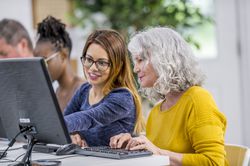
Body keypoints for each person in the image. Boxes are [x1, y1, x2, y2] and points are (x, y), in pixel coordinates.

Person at [110, 27, 228, 166]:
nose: (135, 69)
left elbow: (214, 162)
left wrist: (158, 153)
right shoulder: (157, 111)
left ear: (163, 59)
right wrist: (132, 145)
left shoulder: (198, 99)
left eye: (140, 60)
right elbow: (155, 152)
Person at [64, 29, 145, 147]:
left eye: (102, 63)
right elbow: (65, 120)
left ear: (117, 66)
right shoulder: (84, 90)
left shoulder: (123, 97)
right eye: (89, 59)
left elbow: (89, 118)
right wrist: (73, 135)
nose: (92, 68)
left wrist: (53, 125)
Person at [34, 16, 85, 112]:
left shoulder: (84, 91)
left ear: (62, 55)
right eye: (36, 63)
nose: (39, 69)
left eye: (43, 61)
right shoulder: (57, 92)